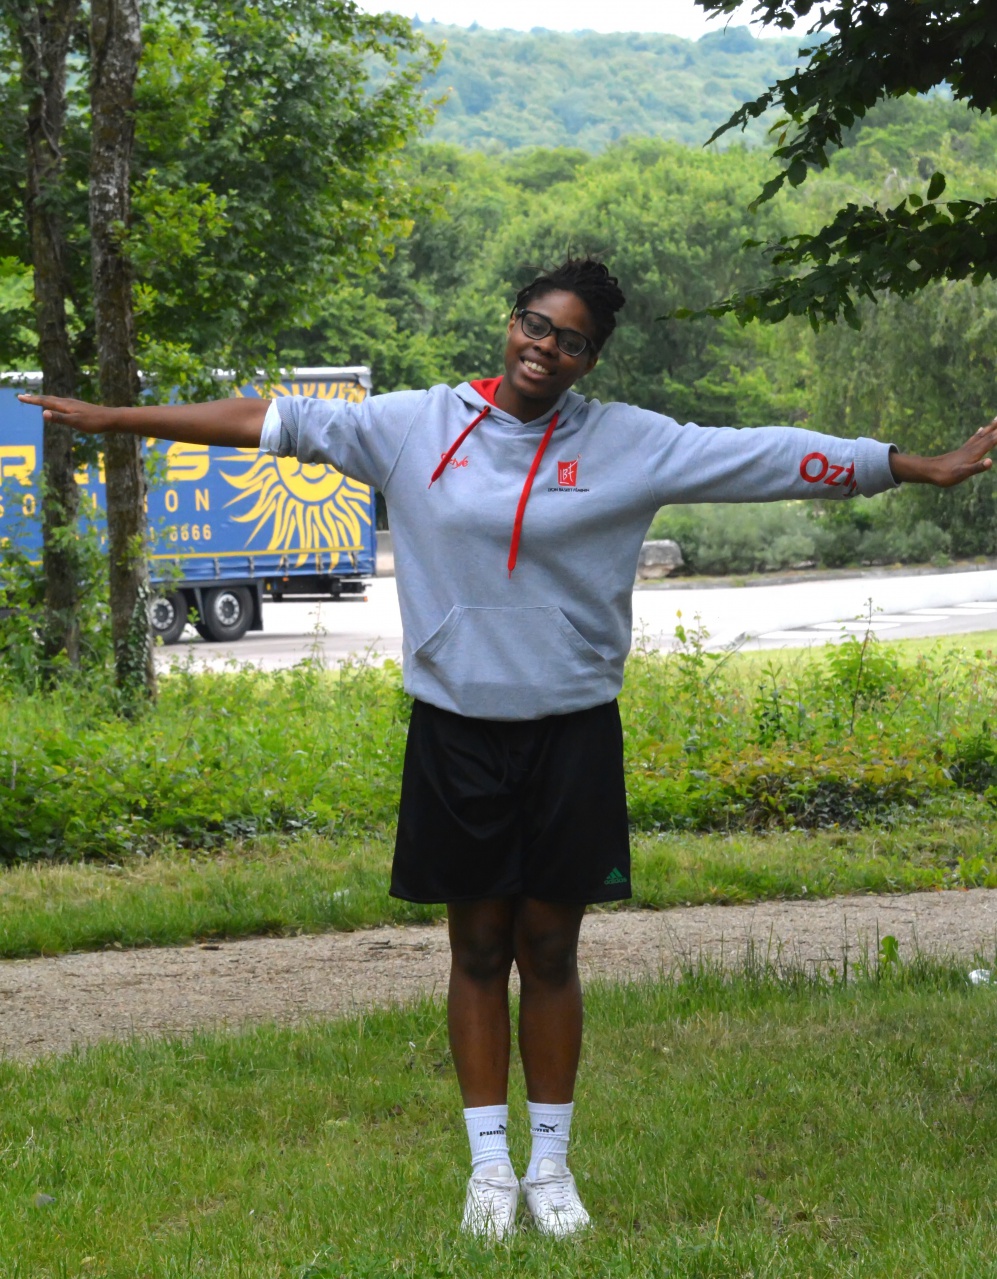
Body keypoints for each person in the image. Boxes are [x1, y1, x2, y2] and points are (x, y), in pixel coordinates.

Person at [20, 258, 997, 1240]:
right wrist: (117, 419)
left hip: (571, 732)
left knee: (552, 950)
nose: (544, 348)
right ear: (512, 321)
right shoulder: (414, 426)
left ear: (589, 359)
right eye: (535, 324)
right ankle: (488, 1168)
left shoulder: (629, 443)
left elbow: (771, 456)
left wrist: (914, 464)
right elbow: (267, 420)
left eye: (570, 341)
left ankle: (551, 1168)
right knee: (479, 948)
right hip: (457, 732)